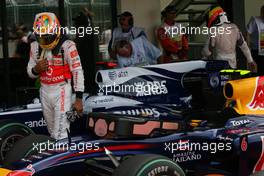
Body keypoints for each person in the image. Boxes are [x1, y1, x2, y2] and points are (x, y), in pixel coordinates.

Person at [27, 12, 85, 140]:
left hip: (62, 89)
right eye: (41, 37)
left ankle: (60, 157)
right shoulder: (34, 46)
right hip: (44, 90)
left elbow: (77, 71)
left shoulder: (68, 45)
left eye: (48, 36)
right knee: (52, 131)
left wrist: (79, 99)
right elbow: (30, 73)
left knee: (61, 132)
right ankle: (59, 156)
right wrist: (36, 69)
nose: (45, 40)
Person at [202, 5, 256, 71]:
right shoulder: (235, 28)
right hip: (233, 64)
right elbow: (243, 45)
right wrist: (250, 60)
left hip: (219, 65)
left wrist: (203, 58)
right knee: (230, 81)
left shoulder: (214, 30)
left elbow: (207, 52)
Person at [247, 5, 264, 75]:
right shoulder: (255, 20)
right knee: (257, 73)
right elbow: (247, 33)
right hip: (256, 52)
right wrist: (248, 49)